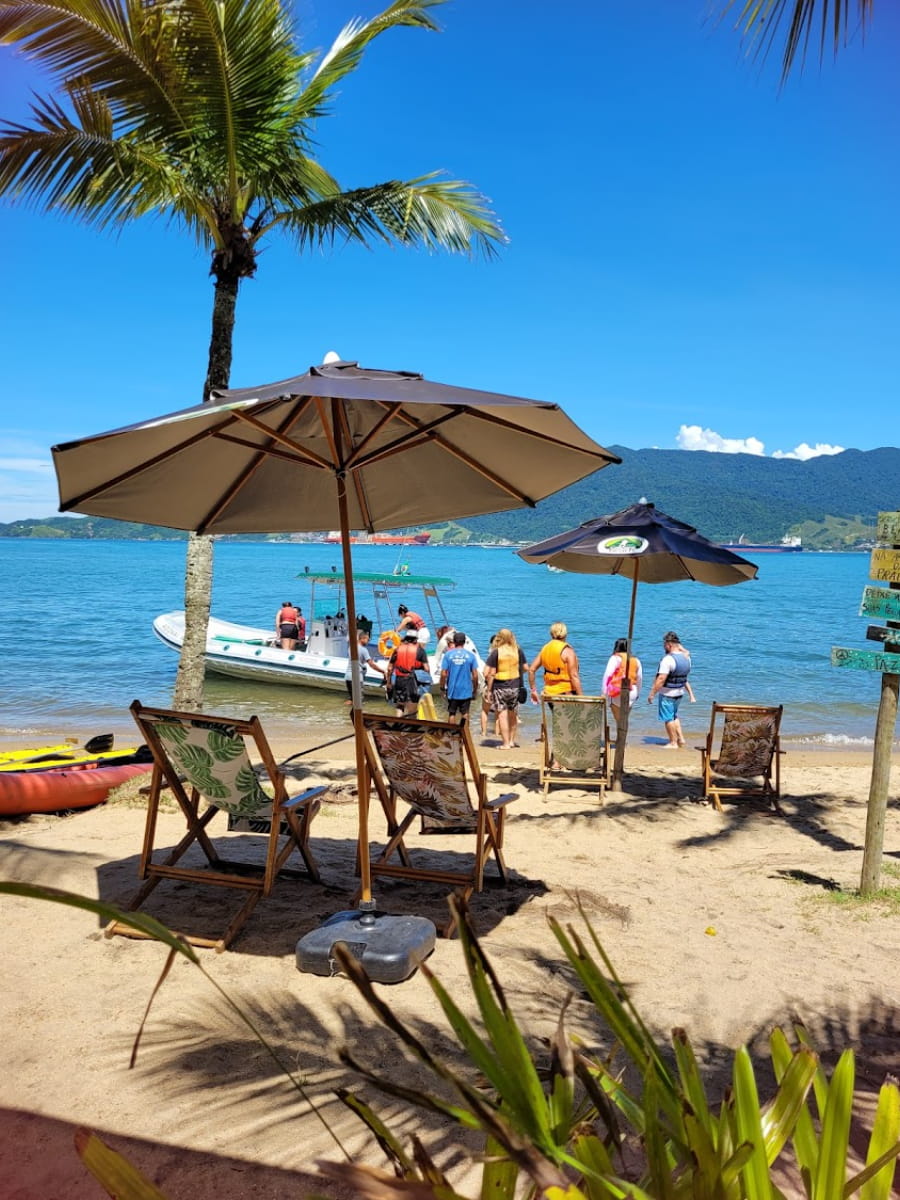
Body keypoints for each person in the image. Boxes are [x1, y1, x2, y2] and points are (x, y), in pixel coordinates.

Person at [646, 630, 695, 749]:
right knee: (674, 715)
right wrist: (691, 694)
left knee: (668, 718)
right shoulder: (686, 658)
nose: (663, 646)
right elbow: (684, 677)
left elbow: (661, 678)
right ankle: (681, 739)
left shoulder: (668, 659)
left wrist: (652, 693)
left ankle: (673, 742)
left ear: (669, 644)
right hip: (679, 692)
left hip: (668, 693)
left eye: (664, 644)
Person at [483, 628, 528, 749]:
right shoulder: (518, 651)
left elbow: (486, 672)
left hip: (500, 686)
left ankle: (506, 743)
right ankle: (512, 741)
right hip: (515, 686)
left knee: (502, 715)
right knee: (513, 714)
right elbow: (525, 668)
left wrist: (489, 690)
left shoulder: (496, 652)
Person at [528, 621, 583, 702]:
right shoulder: (567, 651)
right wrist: (581, 697)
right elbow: (574, 676)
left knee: (558, 715)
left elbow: (531, 670)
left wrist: (533, 690)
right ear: (565, 633)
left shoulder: (545, 649)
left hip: (549, 694)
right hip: (566, 693)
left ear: (551, 633)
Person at [602, 638, 642, 738]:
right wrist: (638, 693)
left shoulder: (615, 658)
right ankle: (622, 739)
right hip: (632, 691)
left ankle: (620, 740)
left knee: (618, 719)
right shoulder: (636, 660)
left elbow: (607, 675)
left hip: (617, 692)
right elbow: (639, 678)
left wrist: (604, 692)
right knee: (624, 718)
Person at [387, 628, 430, 716]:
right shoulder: (420, 651)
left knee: (400, 705)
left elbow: (389, 668)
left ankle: (398, 725)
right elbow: (427, 669)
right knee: (413, 707)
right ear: (415, 639)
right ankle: (410, 726)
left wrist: (389, 683)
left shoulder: (397, 650)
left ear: (406, 638)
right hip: (412, 680)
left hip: (399, 680)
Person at [439, 630, 479, 725]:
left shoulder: (448, 655)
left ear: (454, 642)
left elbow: (443, 673)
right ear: (464, 642)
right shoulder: (471, 656)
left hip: (452, 689)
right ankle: (465, 735)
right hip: (466, 689)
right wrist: (475, 689)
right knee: (465, 713)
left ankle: (451, 734)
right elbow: (475, 675)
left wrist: (442, 687)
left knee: (452, 713)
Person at [344, 629, 385, 704]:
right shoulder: (364, 650)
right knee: (358, 702)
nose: (368, 641)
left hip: (348, 677)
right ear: (362, 639)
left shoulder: (351, 648)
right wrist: (382, 671)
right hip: (357, 677)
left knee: (351, 700)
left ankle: (344, 713)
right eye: (367, 639)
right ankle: (358, 715)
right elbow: (371, 664)